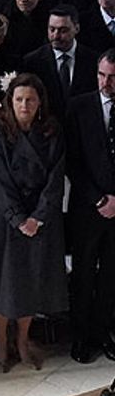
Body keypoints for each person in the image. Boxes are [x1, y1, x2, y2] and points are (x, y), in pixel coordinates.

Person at [0, 73, 67, 371]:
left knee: (31, 282)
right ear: (10, 101)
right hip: (6, 218)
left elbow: (56, 179)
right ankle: (1, 341)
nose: (24, 105)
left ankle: (23, 340)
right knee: (4, 284)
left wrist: (38, 217)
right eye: (18, 99)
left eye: (30, 99)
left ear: (40, 101)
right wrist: (17, 218)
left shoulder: (52, 131)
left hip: (40, 220)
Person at [66, 50, 115, 363]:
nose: (106, 83)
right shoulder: (79, 106)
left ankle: (103, 332)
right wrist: (99, 199)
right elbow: (72, 161)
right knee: (83, 274)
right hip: (88, 208)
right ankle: (81, 336)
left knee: (111, 275)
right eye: (101, 75)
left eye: (112, 78)